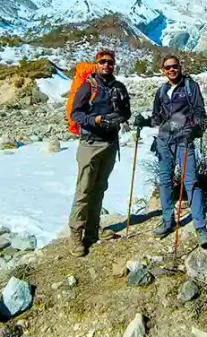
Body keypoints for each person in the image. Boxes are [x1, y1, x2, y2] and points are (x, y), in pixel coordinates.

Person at [133, 55, 207, 248]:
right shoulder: (162, 91)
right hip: (164, 141)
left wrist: (194, 129)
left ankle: (201, 228)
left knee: (191, 182)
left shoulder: (190, 87)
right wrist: (144, 121)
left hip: (184, 140)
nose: (171, 70)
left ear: (179, 67)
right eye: (167, 68)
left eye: (174, 66)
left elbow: (200, 114)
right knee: (165, 181)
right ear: (163, 70)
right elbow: (157, 118)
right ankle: (168, 221)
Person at [67, 48, 131, 257]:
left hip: (110, 143)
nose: (106, 65)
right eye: (102, 62)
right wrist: (93, 120)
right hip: (90, 144)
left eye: (110, 62)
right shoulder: (88, 86)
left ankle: (93, 230)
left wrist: (120, 116)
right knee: (84, 189)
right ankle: (76, 234)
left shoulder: (118, 87)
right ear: (96, 64)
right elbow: (76, 113)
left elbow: (126, 111)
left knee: (100, 188)